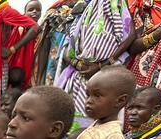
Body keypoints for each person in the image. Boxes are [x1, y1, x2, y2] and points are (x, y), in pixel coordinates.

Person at [55, 0, 134, 130]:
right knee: (73, 128)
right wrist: (81, 66)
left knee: (101, 124)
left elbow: (130, 35)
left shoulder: (114, 3)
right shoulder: (82, 8)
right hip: (80, 76)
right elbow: (67, 50)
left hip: (106, 76)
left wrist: (102, 64)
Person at [31, 0, 84, 87]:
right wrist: (40, 77)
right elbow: (44, 46)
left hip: (78, 68)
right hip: (53, 68)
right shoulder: (55, 12)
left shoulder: (89, 9)